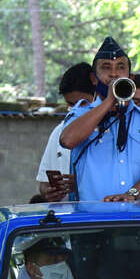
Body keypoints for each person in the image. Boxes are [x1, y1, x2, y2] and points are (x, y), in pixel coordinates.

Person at [59, 37, 140, 202]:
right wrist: (110, 100)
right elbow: (67, 140)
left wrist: (131, 195)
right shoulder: (80, 114)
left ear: (130, 78)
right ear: (94, 78)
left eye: (120, 67)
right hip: (95, 218)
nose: (114, 74)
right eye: (106, 68)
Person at [35, 63, 95, 203]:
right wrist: (48, 192)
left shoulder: (115, 133)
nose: (75, 110)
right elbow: (43, 183)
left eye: (82, 104)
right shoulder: (59, 132)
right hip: (68, 221)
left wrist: (83, 184)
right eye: (71, 104)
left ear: (98, 97)